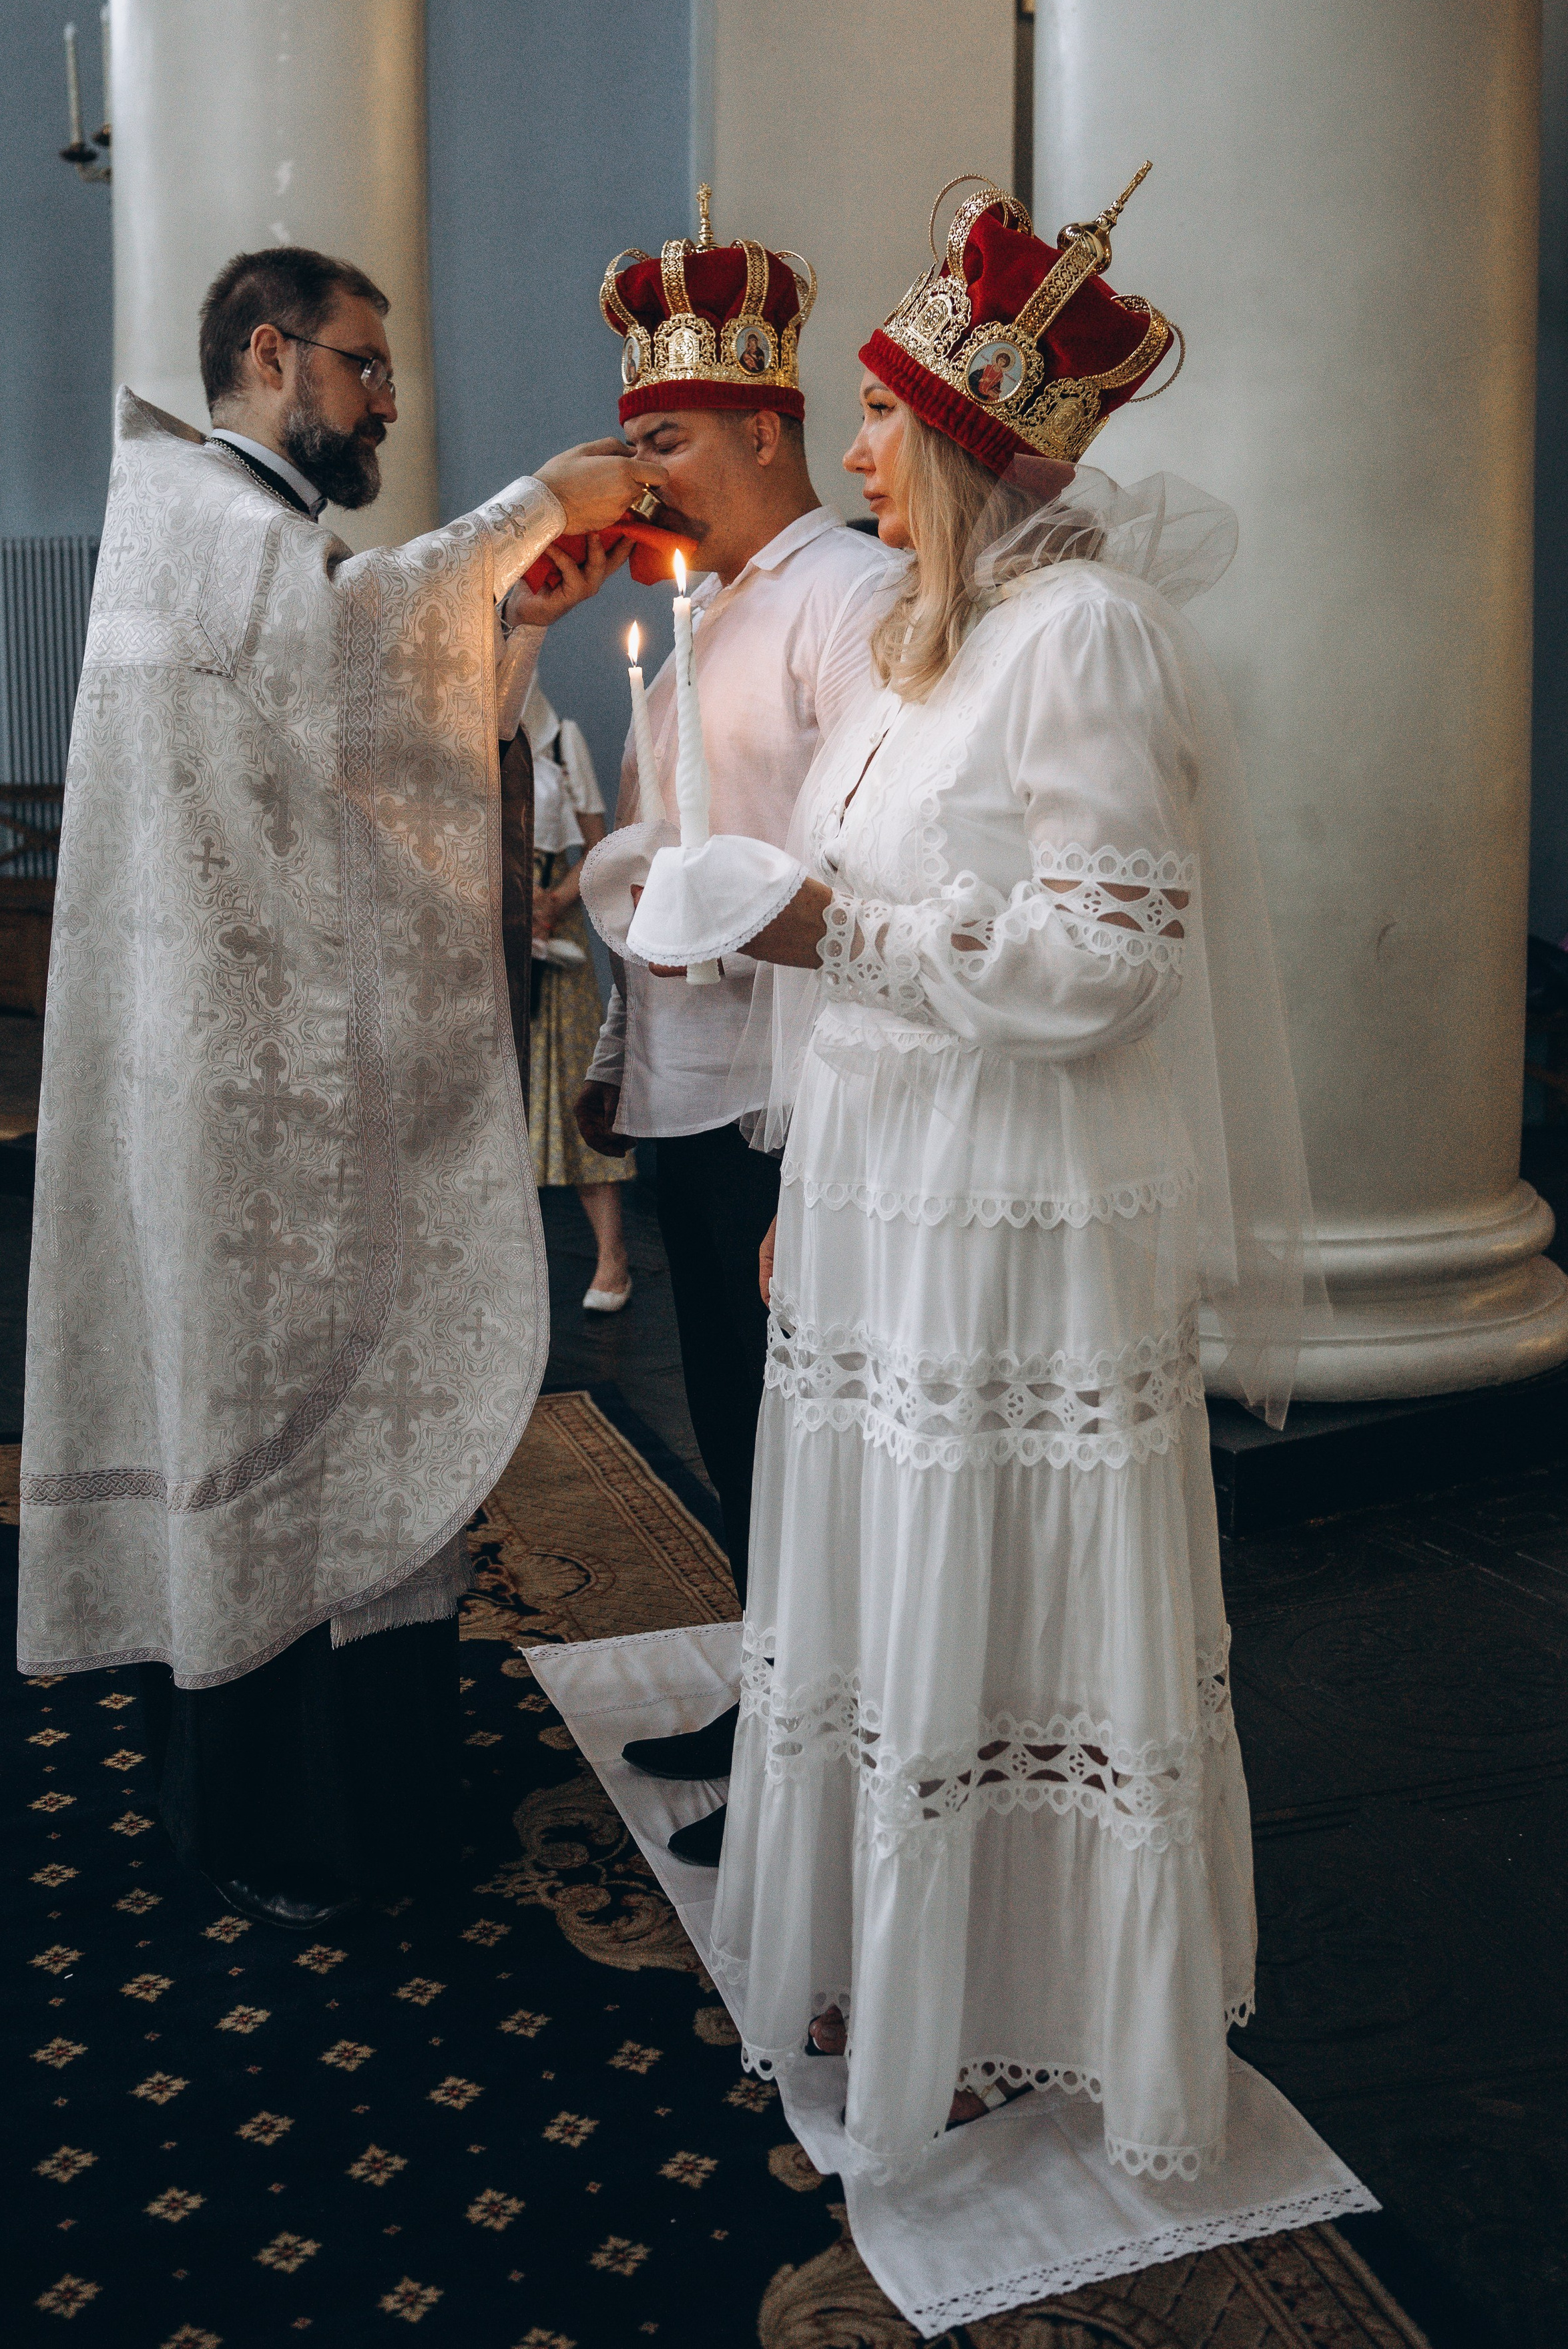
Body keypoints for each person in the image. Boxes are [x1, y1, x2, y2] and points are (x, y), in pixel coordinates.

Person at [626, 174, 1318, 2183]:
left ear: (947, 441)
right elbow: (891, 906)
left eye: (867, 421)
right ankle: (888, 1944)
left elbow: (1111, 958)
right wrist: (806, 1173)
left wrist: (824, 940)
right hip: (886, 1203)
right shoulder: (946, 639)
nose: (844, 455)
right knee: (882, 1574)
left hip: (1016, 1216)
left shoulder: (1081, 635)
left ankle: (1022, 1988)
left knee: (998, 1588)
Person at [16, 245, 648, 1930]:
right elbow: (353, 658)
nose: (382, 400)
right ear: (270, 353)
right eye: (362, 367)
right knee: (286, 1426)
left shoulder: (225, 530)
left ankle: (345, 1787)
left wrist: (505, 623)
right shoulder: (211, 523)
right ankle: (302, 1824)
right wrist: (534, 504)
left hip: (259, 1077)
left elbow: (360, 751)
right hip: (252, 1103)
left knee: (318, 1429)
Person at [574, 194, 900, 1862]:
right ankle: (773, 1692)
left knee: (804, 1431)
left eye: (671, 433)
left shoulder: (846, 593)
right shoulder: (702, 605)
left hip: (795, 1096)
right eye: (631, 431)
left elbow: (876, 854)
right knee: (731, 1415)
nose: (640, 465)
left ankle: (819, 1764)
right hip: (699, 1086)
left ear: (769, 427)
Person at [521, 677, 635, 1310]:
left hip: (551, 920)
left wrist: (551, 902)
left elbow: (599, 846)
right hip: (489, 925)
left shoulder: (562, 742)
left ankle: (613, 1258)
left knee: (571, 1084)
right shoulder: (477, 740)